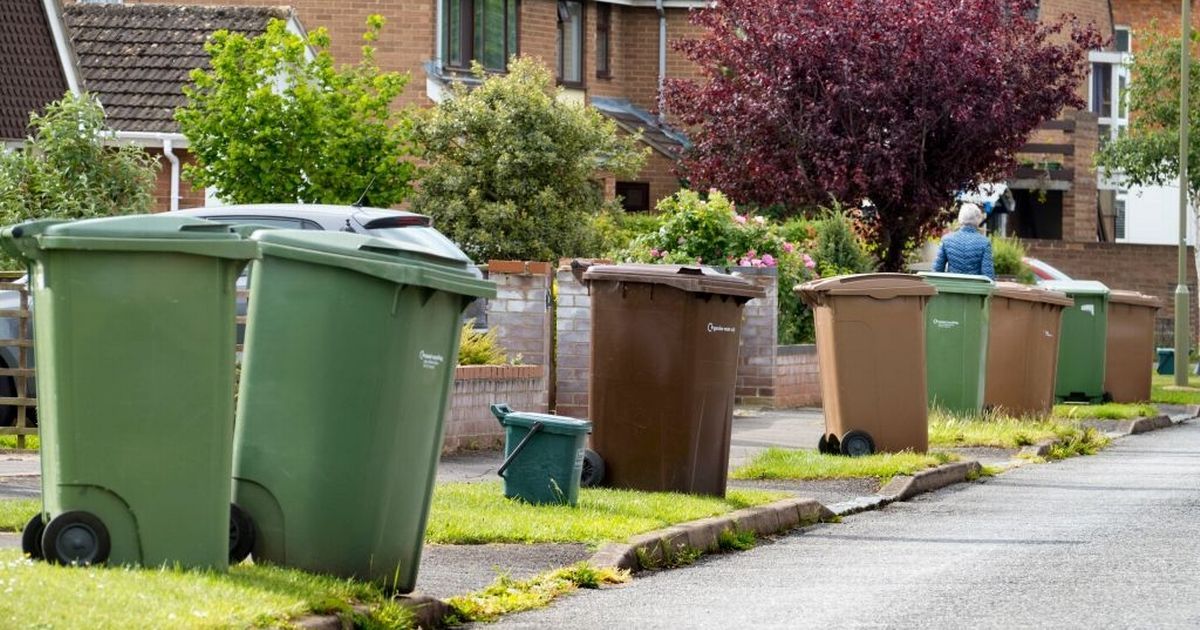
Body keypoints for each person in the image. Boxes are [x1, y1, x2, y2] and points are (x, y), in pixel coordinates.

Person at [932, 203, 995, 279]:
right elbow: (988, 276)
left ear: (960, 218)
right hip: (975, 290)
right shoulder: (984, 243)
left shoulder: (946, 240)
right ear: (978, 219)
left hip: (950, 289)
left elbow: (936, 271)